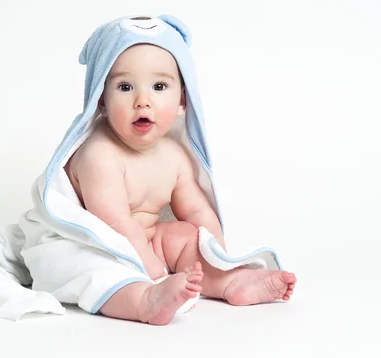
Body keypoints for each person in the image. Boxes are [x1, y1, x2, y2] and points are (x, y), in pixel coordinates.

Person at [62, 38, 297, 326]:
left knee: (187, 235)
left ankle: (230, 281)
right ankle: (144, 302)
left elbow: (197, 211)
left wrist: (218, 256)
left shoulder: (174, 156)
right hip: (96, 245)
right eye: (125, 87)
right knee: (95, 272)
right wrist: (156, 272)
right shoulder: (99, 155)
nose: (142, 100)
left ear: (182, 101)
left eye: (159, 87)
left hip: (147, 240)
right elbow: (115, 225)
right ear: (101, 102)